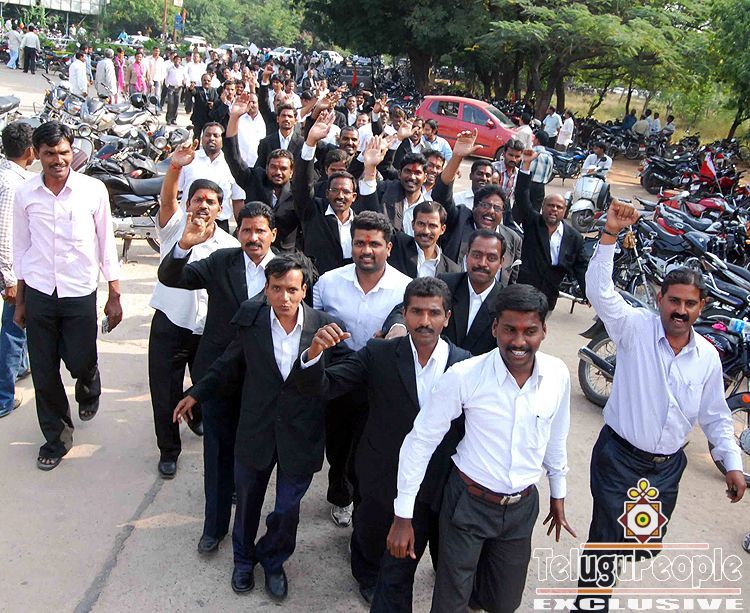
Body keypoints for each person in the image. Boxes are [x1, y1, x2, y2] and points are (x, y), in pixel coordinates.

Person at [576, 200, 746, 612]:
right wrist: (610, 234)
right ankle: (591, 600)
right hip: (618, 458)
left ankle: (610, 564)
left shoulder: (707, 358)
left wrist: (732, 464)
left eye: (689, 304)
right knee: (606, 536)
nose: (680, 311)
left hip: (667, 467)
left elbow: (716, 417)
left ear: (701, 307)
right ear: (660, 298)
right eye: (674, 301)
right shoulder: (634, 327)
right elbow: (599, 292)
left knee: (643, 542)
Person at [173, 254, 351, 600]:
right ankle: (242, 561)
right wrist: (196, 393)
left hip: (300, 434)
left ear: (304, 290)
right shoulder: (251, 321)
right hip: (256, 429)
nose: (284, 298)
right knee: (247, 504)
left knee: (286, 510)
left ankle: (272, 560)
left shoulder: (325, 327)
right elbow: (227, 363)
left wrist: (318, 366)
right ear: (266, 289)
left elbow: (346, 372)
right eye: (276, 289)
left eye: (291, 290)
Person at [389, 283, 574, 612]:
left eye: (530, 331)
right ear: (495, 328)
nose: (519, 341)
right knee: (451, 600)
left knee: (503, 602)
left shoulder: (557, 375)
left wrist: (558, 492)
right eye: (510, 330)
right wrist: (403, 515)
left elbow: (556, 435)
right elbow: (420, 441)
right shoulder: (465, 376)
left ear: (544, 331)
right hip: (468, 504)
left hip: (521, 509)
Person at [296, 277, 471, 605]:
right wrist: (314, 354)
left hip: (436, 478)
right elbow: (325, 386)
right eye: (416, 312)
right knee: (373, 532)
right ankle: (366, 574)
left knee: (419, 542)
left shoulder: (465, 363)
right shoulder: (378, 354)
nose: (424, 321)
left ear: (447, 317)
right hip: (381, 470)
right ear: (404, 313)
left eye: (434, 313)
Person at [159, 201, 276, 553]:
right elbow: (172, 278)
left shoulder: (289, 270)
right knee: (217, 452)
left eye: (260, 231)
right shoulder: (221, 261)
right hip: (218, 374)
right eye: (246, 230)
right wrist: (184, 244)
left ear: (273, 234)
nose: (253, 238)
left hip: (262, 379)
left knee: (253, 456)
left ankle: (247, 527)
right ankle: (214, 528)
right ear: (237, 233)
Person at [13, 122, 122, 470]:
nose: (58, 160)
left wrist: (114, 292)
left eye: (63, 152)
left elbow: (106, 243)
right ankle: (56, 438)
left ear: (72, 152)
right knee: (44, 371)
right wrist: (20, 301)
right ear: (37, 155)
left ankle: (88, 382)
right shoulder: (25, 194)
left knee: (79, 359)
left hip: (79, 292)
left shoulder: (92, 191)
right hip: (40, 292)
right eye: (49, 154)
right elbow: (21, 247)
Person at [148, 137, 240, 479]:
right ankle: (168, 449)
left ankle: (197, 415)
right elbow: (167, 198)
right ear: (187, 204)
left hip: (209, 330)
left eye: (210, 201)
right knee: (165, 390)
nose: (203, 205)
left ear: (221, 209)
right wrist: (175, 167)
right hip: (171, 323)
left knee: (208, 384)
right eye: (197, 199)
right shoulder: (174, 226)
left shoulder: (230, 245)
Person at [313, 211, 412, 528]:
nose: (366, 250)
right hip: (339, 380)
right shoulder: (329, 283)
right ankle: (341, 496)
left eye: (374, 244)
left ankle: (363, 507)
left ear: (388, 248)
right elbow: (313, 324)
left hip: (381, 383)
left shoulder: (405, 288)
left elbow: (405, 323)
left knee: (371, 450)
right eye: (359, 243)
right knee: (339, 445)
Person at [385, 229, 506, 356]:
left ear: (501, 262)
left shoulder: (504, 302)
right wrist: (399, 327)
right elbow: (405, 308)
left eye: (491, 258)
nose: (482, 263)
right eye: (476, 255)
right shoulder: (446, 283)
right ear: (466, 256)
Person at [292, 114, 383, 276]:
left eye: (346, 192)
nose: (340, 196)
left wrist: (370, 170)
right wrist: (310, 143)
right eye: (335, 190)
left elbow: (376, 221)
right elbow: (302, 185)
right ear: (327, 193)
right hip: (318, 286)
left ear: (354, 197)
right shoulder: (313, 212)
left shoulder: (361, 220)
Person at [438, 130, 521, 287]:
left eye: (497, 208)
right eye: (485, 205)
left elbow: (511, 282)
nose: (491, 211)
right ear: (474, 207)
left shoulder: (513, 239)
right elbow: (442, 195)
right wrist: (457, 158)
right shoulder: (460, 220)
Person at [514, 149, 588, 310]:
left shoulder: (574, 238)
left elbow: (581, 267)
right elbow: (521, 195)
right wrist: (526, 164)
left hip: (548, 296)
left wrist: (588, 293)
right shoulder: (533, 222)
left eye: (559, 207)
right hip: (523, 290)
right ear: (542, 207)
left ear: (565, 211)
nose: (554, 209)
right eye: (550, 205)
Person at [225, 92, 298, 252]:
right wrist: (234, 117)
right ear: (266, 167)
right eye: (273, 167)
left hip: (285, 257)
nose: (278, 172)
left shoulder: (298, 193)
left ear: (292, 172)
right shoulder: (255, 180)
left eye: (283, 168)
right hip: (252, 252)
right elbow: (233, 157)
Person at [0, 122, 35, 418]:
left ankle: (21, 367)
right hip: (10, 269)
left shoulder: (7, 175)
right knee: (13, 330)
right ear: (30, 151)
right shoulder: (13, 185)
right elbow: (4, 235)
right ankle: (3, 398)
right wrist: (10, 279)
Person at [177, 123, 246, 234]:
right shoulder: (189, 159)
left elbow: (238, 200)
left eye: (216, 135)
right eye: (207, 135)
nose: (211, 138)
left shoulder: (233, 164)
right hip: (189, 222)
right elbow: (175, 191)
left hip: (219, 225)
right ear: (202, 137)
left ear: (222, 139)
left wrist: (241, 227)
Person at [388, 201, 461, 279]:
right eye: (421, 224)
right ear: (413, 224)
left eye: (432, 226)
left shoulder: (452, 270)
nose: (426, 231)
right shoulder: (397, 245)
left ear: (442, 229)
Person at [255, 103, 303, 170]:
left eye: (290, 116)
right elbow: (259, 168)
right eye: (283, 115)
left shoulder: (302, 143)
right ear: (277, 119)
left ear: (295, 121)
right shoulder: (266, 143)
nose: (286, 119)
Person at [528, 130, 554, 209]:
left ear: (537, 140)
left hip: (528, 184)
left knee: (521, 209)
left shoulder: (530, 153)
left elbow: (525, 170)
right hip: (540, 187)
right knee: (536, 210)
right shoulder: (549, 157)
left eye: (534, 138)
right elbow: (549, 173)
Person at [189, 73, 219, 140]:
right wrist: (191, 89)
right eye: (204, 80)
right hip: (198, 118)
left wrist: (213, 104)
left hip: (209, 118)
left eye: (208, 80)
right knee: (196, 136)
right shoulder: (197, 89)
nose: (206, 82)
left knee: (208, 137)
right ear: (201, 81)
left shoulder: (213, 90)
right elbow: (193, 92)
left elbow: (217, 101)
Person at [164, 54, 187, 125]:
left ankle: (174, 119)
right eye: (176, 59)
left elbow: (186, 77)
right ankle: (168, 119)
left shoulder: (182, 69)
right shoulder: (170, 68)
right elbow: (166, 76)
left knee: (176, 104)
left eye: (179, 60)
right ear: (174, 60)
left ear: (180, 61)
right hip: (171, 87)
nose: (177, 61)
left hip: (179, 88)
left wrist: (186, 84)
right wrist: (167, 85)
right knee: (170, 103)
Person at [144, 46, 166, 113]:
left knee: (157, 95)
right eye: (155, 51)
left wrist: (162, 79)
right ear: (153, 51)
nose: (157, 52)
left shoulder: (161, 60)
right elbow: (146, 69)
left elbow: (163, 70)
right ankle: (146, 109)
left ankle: (157, 110)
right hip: (149, 78)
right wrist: (147, 79)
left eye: (158, 51)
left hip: (158, 79)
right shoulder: (148, 59)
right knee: (148, 94)